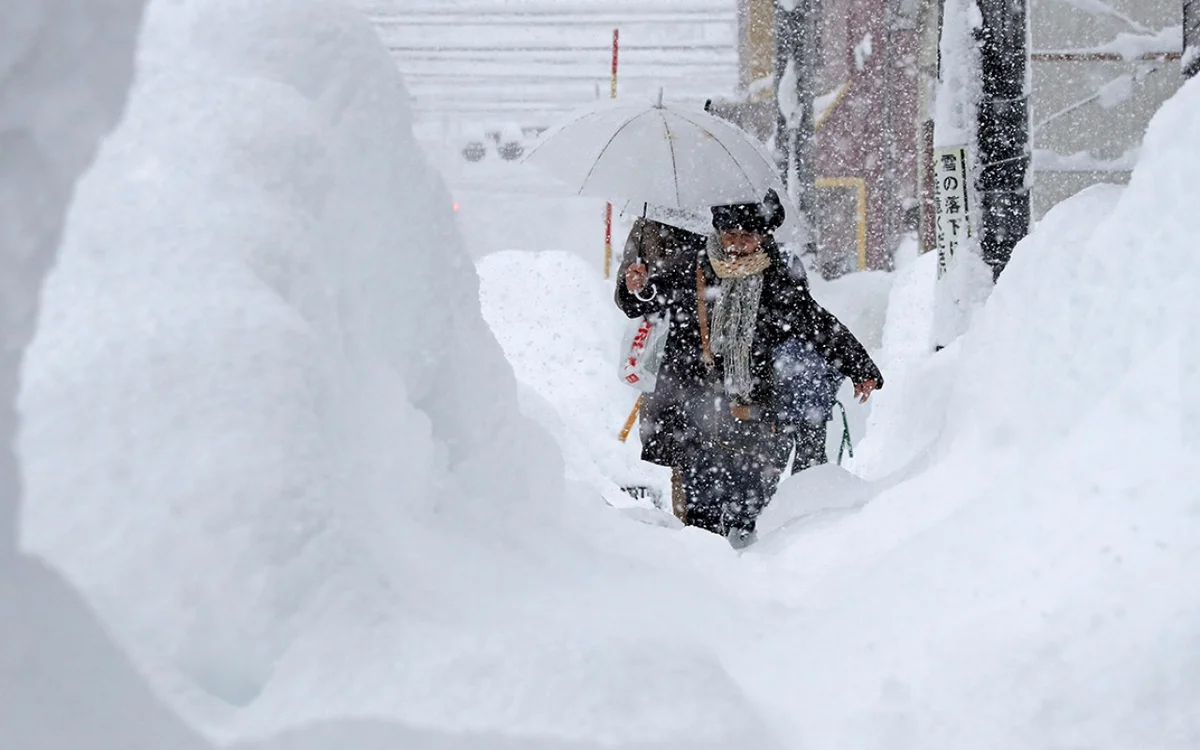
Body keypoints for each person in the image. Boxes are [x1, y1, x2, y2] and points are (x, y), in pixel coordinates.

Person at [614, 190, 882, 547]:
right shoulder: (692, 265)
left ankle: (747, 571)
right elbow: (645, 301)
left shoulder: (776, 279)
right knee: (702, 510)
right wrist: (639, 288)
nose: (737, 245)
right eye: (730, 235)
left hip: (752, 407)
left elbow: (817, 324)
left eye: (747, 237)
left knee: (749, 503)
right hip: (697, 405)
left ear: (763, 236)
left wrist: (859, 366)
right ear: (718, 231)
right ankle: (705, 572)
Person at [613, 214, 708, 522]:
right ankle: (689, 531)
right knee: (681, 452)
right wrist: (635, 286)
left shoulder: (724, 217)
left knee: (714, 448)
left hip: (717, 354)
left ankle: (712, 532)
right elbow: (628, 300)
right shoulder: (649, 226)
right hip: (670, 356)